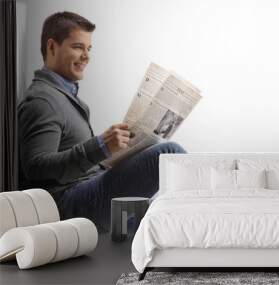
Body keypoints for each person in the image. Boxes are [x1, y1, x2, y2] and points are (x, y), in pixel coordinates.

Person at [18, 11, 186, 231]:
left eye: (89, 49)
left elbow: (75, 159)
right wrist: (100, 147)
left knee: (157, 212)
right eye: (78, 47)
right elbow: (36, 168)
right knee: (169, 153)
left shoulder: (64, 97)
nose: (86, 56)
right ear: (52, 47)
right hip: (68, 203)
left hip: (86, 187)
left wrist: (115, 152)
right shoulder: (42, 101)